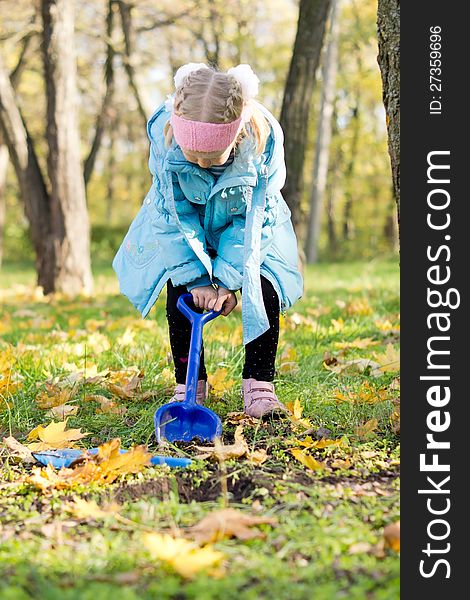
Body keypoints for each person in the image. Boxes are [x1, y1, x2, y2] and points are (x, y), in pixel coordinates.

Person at [113, 63, 303, 418]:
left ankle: (259, 385)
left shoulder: (260, 153)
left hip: (250, 232)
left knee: (263, 288)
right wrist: (199, 280)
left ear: (237, 135)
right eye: (192, 154)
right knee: (180, 293)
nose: (201, 163)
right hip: (186, 231)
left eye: (212, 157)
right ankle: (189, 385)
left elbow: (251, 225)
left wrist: (228, 281)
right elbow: (173, 217)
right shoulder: (166, 144)